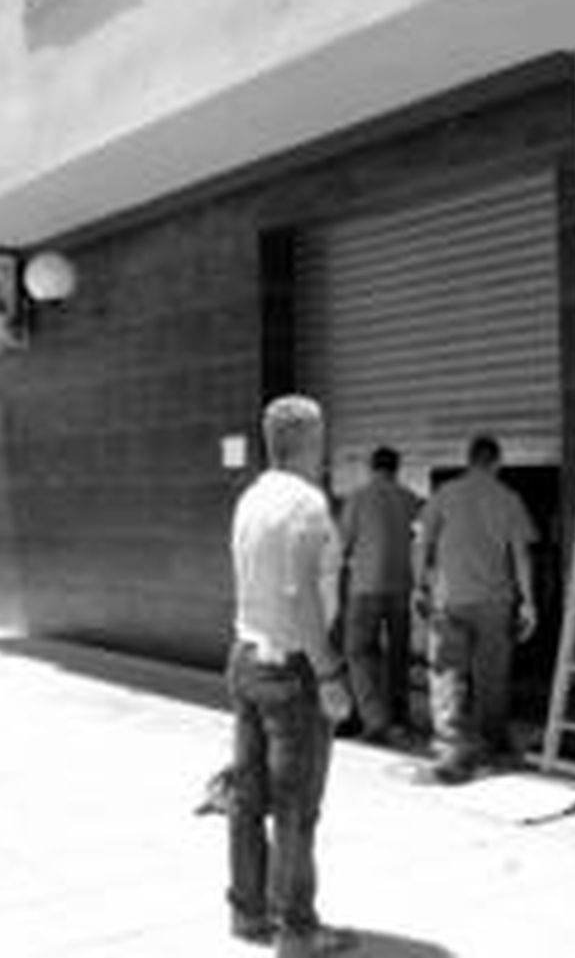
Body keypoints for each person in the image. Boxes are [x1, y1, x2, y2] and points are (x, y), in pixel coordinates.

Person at [226, 395, 357, 957]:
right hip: (292, 673)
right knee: (297, 807)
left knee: (248, 798)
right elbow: (303, 594)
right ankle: (299, 930)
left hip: (246, 659)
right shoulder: (307, 503)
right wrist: (329, 672)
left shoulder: (251, 498)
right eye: (322, 434)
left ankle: (248, 913)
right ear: (310, 439)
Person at [413, 434, 538, 784]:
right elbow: (521, 554)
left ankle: (450, 748)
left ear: (468, 460)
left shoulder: (445, 494)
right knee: (492, 676)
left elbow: (421, 540)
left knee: (447, 672)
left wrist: (418, 585)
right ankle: (492, 744)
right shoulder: (508, 498)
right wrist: (529, 602)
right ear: (497, 463)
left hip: (450, 599)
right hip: (495, 601)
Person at [337, 446, 422, 746]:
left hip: (365, 586)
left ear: (371, 467)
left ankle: (374, 719)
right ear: (396, 469)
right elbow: (421, 541)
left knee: (359, 652)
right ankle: (400, 716)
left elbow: (343, 544)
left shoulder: (357, 498)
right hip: (400, 586)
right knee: (398, 654)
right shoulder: (411, 499)